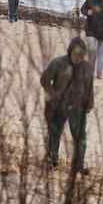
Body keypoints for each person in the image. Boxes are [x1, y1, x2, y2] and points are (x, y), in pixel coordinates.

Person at [41, 37, 95, 173]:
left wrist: (90, 103)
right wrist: (53, 95)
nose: (78, 57)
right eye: (76, 54)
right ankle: (51, 160)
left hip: (78, 107)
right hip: (59, 106)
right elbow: (45, 80)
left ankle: (78, 165)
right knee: (54, 133)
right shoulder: (58, 63)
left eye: (81, 55)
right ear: (70, 51)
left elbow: (89, 87)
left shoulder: (87, 68)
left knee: (80, 137)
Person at [80, 0, 103, 80]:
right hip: (91, 30)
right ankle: (90, 72)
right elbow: (82, 9)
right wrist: (87, 12)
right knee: (92, 52)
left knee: (101, 54)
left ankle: (99, 73)